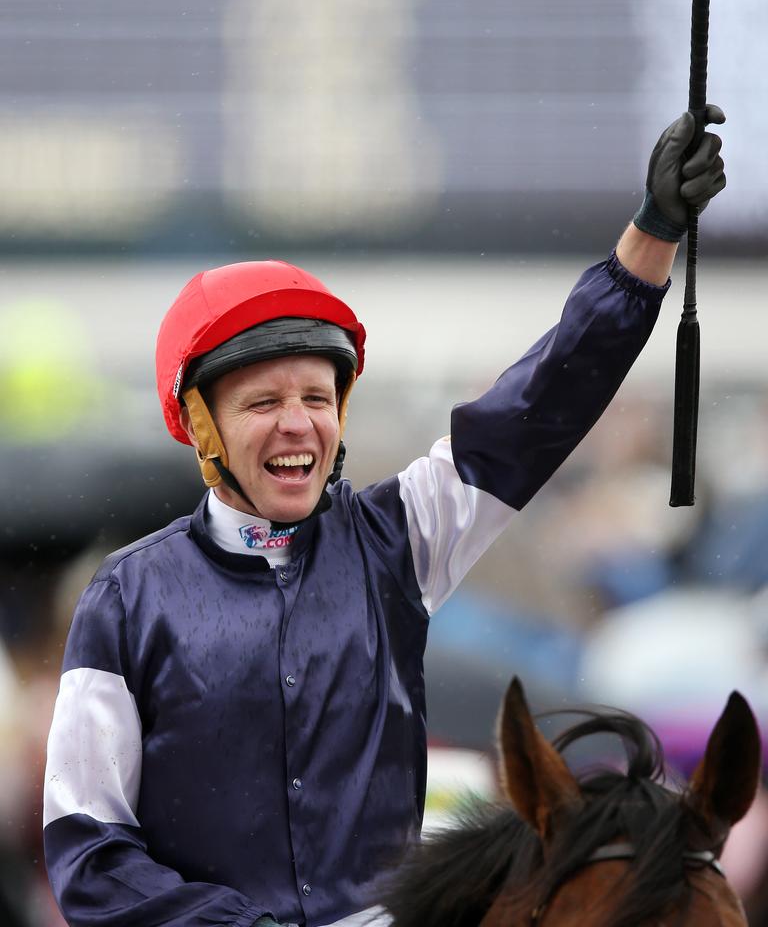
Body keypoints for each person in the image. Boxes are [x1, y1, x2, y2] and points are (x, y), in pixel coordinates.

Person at [43, 107, 726, 927]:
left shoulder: (400, 538)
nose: (299, 424)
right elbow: (87, 851)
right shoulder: (124, 598)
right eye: (264, 402)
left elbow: (540, 405)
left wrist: (649, 238)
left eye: (317, 398)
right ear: (199, 425)